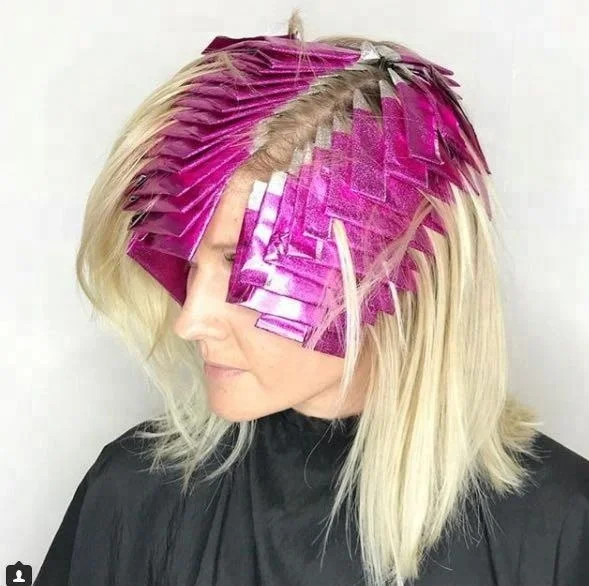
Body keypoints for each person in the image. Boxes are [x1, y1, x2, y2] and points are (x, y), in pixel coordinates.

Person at [34, 11, 589, 586]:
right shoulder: (134, 500)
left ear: (391, 264)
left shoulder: (560, 530)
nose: (190, 320)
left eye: (240, 267)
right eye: (188, 263)